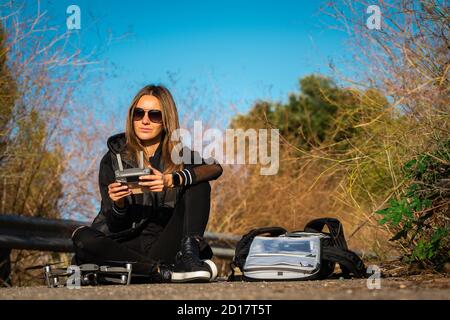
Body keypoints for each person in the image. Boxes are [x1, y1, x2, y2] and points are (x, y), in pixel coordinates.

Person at [71, 84, 223, 283]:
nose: (144, 120)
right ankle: (161, 273)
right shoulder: (112, 159)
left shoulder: (180, 156)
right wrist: (119, 204)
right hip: (124, 246)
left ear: (166, 120)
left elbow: (215, 168)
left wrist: (171, 179)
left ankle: (187, 257)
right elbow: (114, 225)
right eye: (138, 113)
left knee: (198, 182)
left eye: (154, 115)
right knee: (82, 237)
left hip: (164, 245)